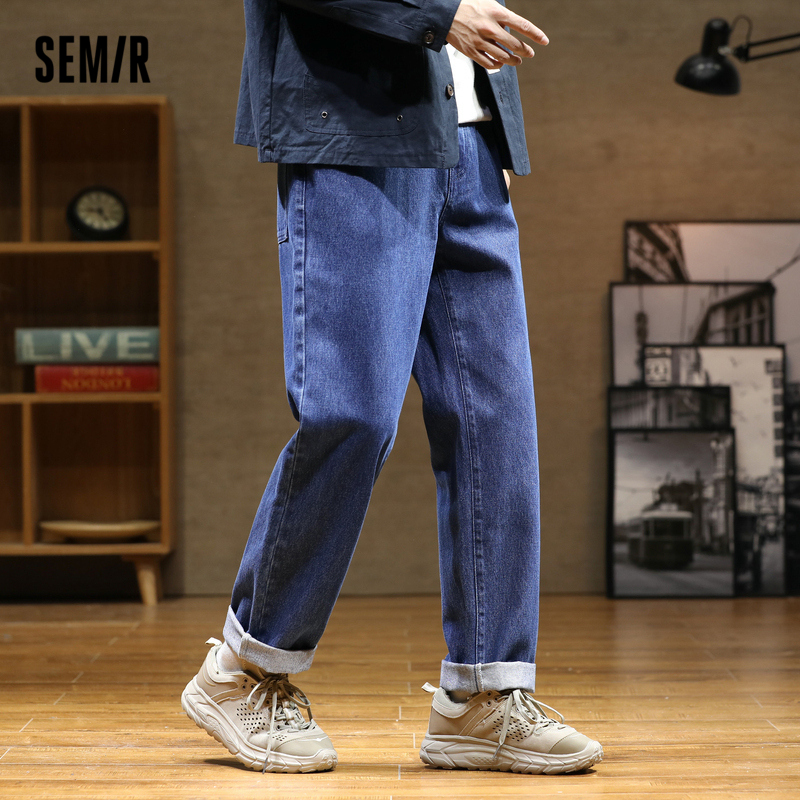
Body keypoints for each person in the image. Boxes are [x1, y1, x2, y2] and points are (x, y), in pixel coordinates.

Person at [182, 0, 603, 776]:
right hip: (354, 124)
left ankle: (483, 695)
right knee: (353, 411)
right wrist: (440, 13)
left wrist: (484, 121)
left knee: (495, 422)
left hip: (467, 138)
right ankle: (245, 669)